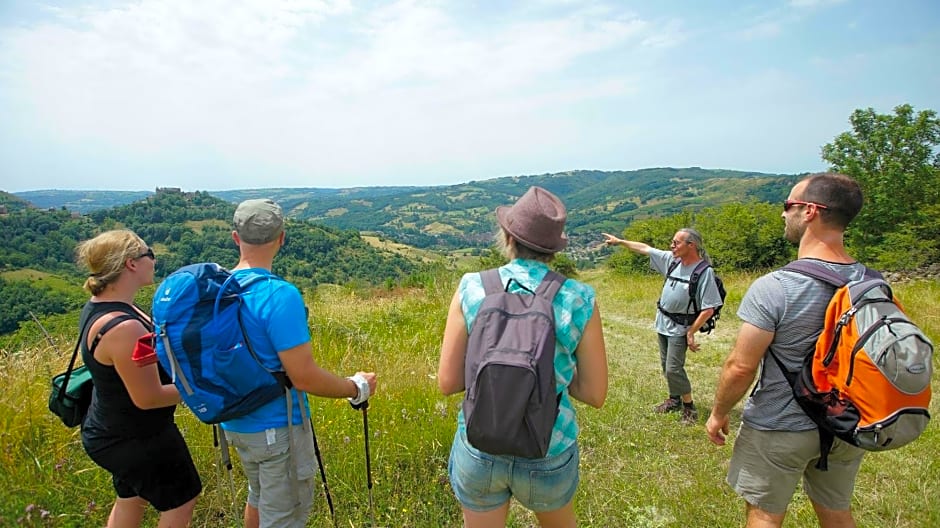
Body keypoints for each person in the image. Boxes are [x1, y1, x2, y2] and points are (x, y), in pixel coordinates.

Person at [438, 186, 608, 528]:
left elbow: (448, 382)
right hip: (549, 445)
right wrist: (550, 371)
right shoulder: (578, 297)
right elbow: (594, 394)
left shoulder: (472, 287)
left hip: (480, 444)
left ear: (508, 237)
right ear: (554, 248)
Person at [705, 173, 868, 527]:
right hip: (845, 422)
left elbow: (741, 367)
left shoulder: (776, 287)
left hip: (779, 425)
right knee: (837, 512)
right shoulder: (872, 282)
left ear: (810, 211)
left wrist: (718, 412)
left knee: (764, 515)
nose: (783, 214)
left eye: (787, 206)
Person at [219, 198, 378, 528]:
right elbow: (303, 377)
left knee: (258, 495)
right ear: (281, 238)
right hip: (276, 429)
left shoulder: (218, 289)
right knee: (284, 516)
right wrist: (357, 387)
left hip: (233, 422)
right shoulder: (280, 295)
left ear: (236, 238)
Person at [75, 229, 201, 527]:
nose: (154, 261)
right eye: (150, 254)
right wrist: (203, 388)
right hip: (137, 436)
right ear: (131, 263)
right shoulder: (124, 327)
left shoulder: (107, 306)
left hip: (112, 429)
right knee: (181, 502)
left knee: (132, 497)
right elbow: (149, 398)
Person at [602, 228, 722, 425]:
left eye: (676, 243)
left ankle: (689, 407)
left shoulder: (704, 272)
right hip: (663, 323)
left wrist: (691, 332)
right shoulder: (672, 260)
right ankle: (674, 399)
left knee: (674, 368)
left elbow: (709, 308)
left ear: (691, 245)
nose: (671, 246)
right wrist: (620, 242)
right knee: (666, 366)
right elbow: (646, 249)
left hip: (680, 327)